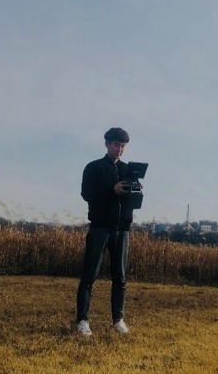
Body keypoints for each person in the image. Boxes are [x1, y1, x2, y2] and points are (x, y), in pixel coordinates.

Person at [76, 127, 134, 336]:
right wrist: (112, 190)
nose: (119, 149)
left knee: (120, 278)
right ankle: (83, 320)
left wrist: (135, 191)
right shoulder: (94, 167)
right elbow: (86, 194)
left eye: (123, 146)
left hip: (122, 230)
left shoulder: (128, 169)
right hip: (100, 227)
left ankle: (118, 320)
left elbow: (132, 201)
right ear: (107, 144)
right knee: (89, 276)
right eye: (116, 144)